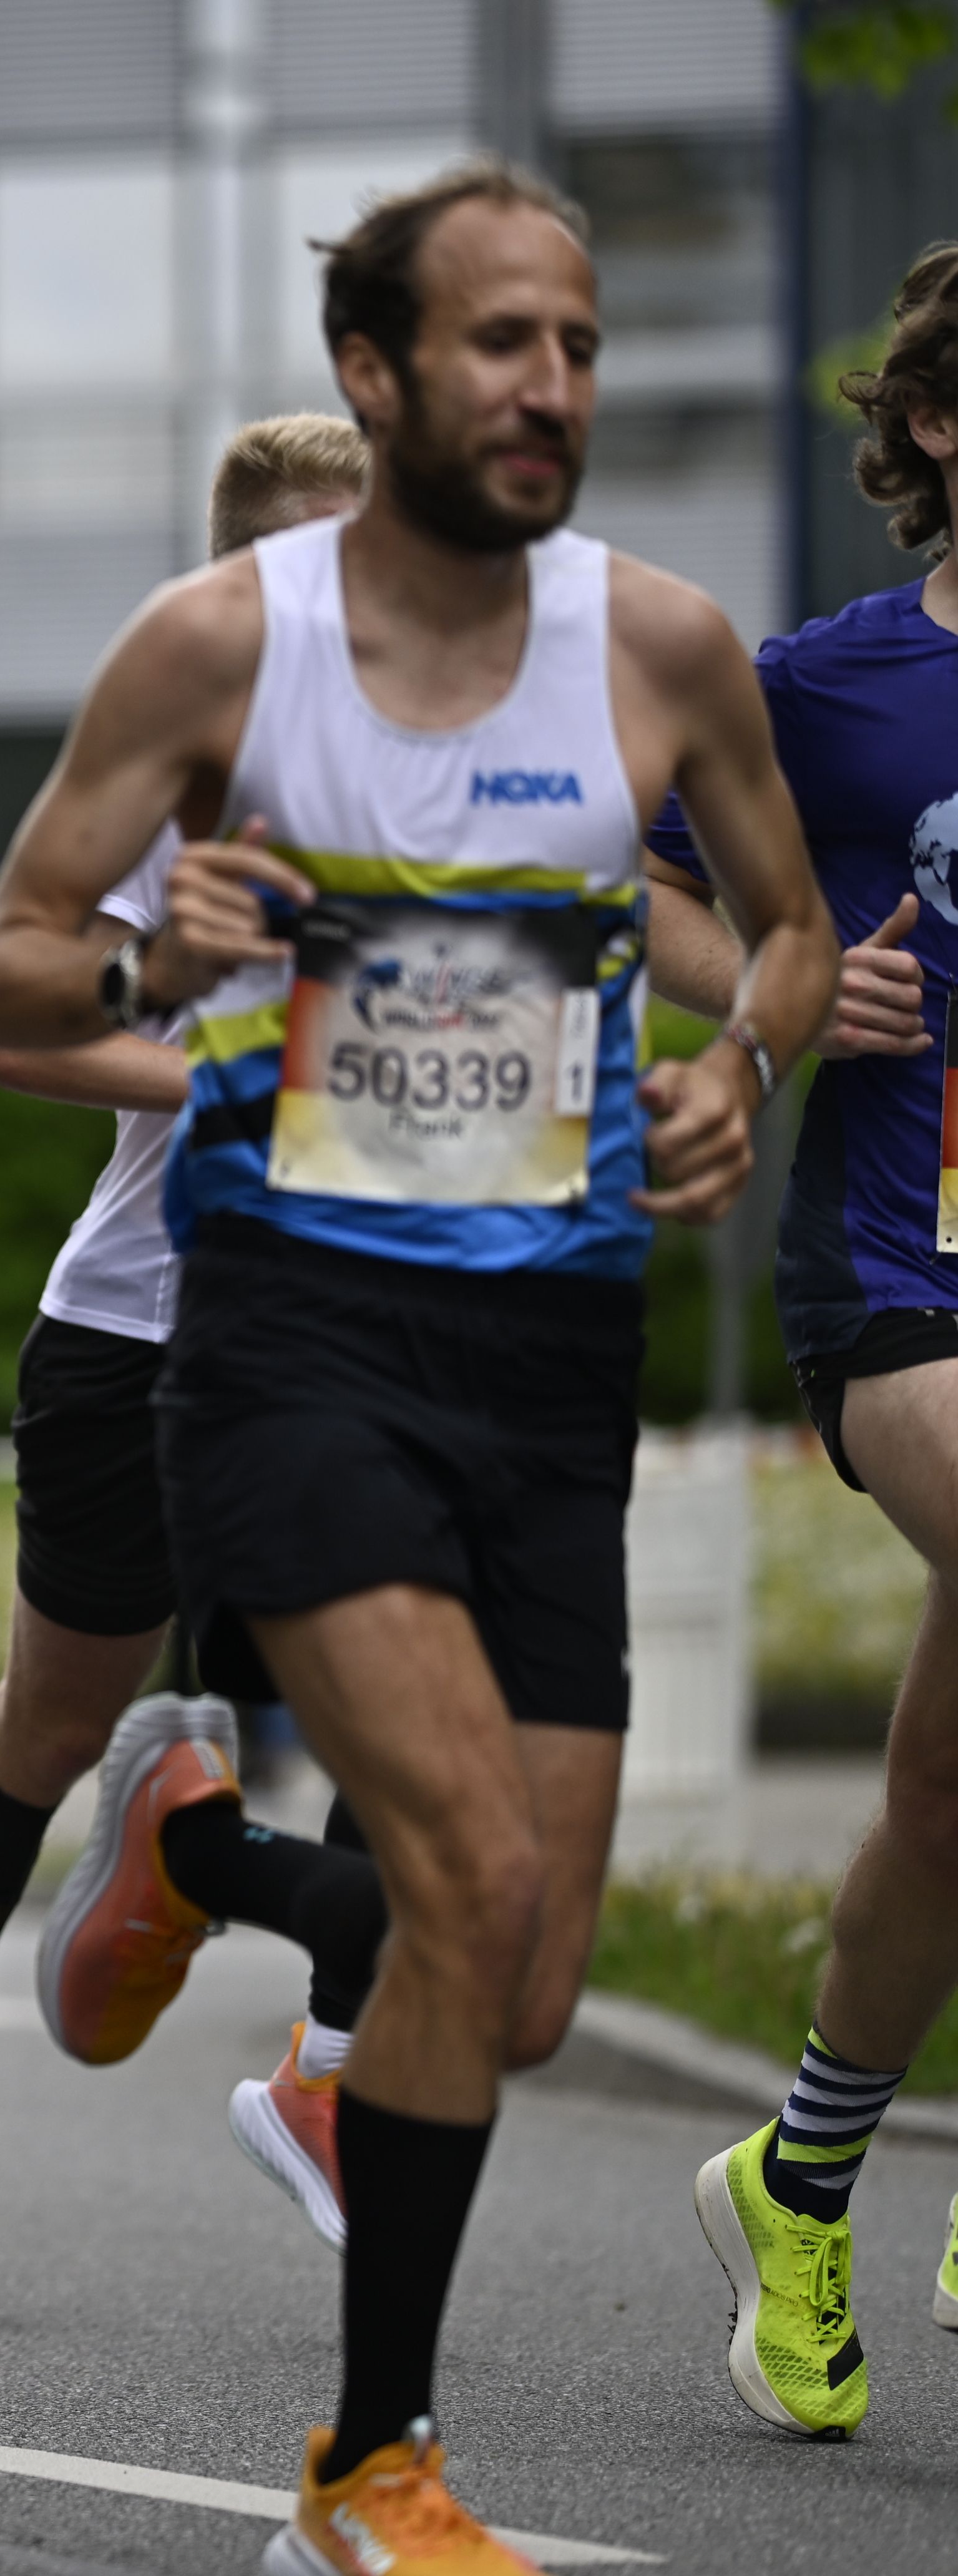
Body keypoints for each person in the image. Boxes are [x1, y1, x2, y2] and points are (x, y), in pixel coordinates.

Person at [0, 163, 831, 2574]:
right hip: (293, 1337)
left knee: (516, 1968)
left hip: (549, 1354)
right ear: (376, 369)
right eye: (497, 342)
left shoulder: (659, 643)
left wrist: (739, 1069)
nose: (549, 385)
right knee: (463, 1856)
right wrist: (154, 963)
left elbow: (781, 929)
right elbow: (3, 972)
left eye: (577, 345)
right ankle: (377, 2462)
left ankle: (190, 1852)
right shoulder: (215, 651)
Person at [0, 416, 399, 2278]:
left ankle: (336, 2067)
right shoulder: (168, 784)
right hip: (143, 1328)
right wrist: (230, 1083)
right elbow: (12, 1031)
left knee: (421, 1698)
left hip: (362, 1333)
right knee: (56, 1718)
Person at [639, 242, 958, 2442]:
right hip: (906, 1269)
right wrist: (796, 977)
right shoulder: (828, 689)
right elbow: (640, 881)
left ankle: (803, 2176)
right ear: (936, 424)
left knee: (942, 1793)